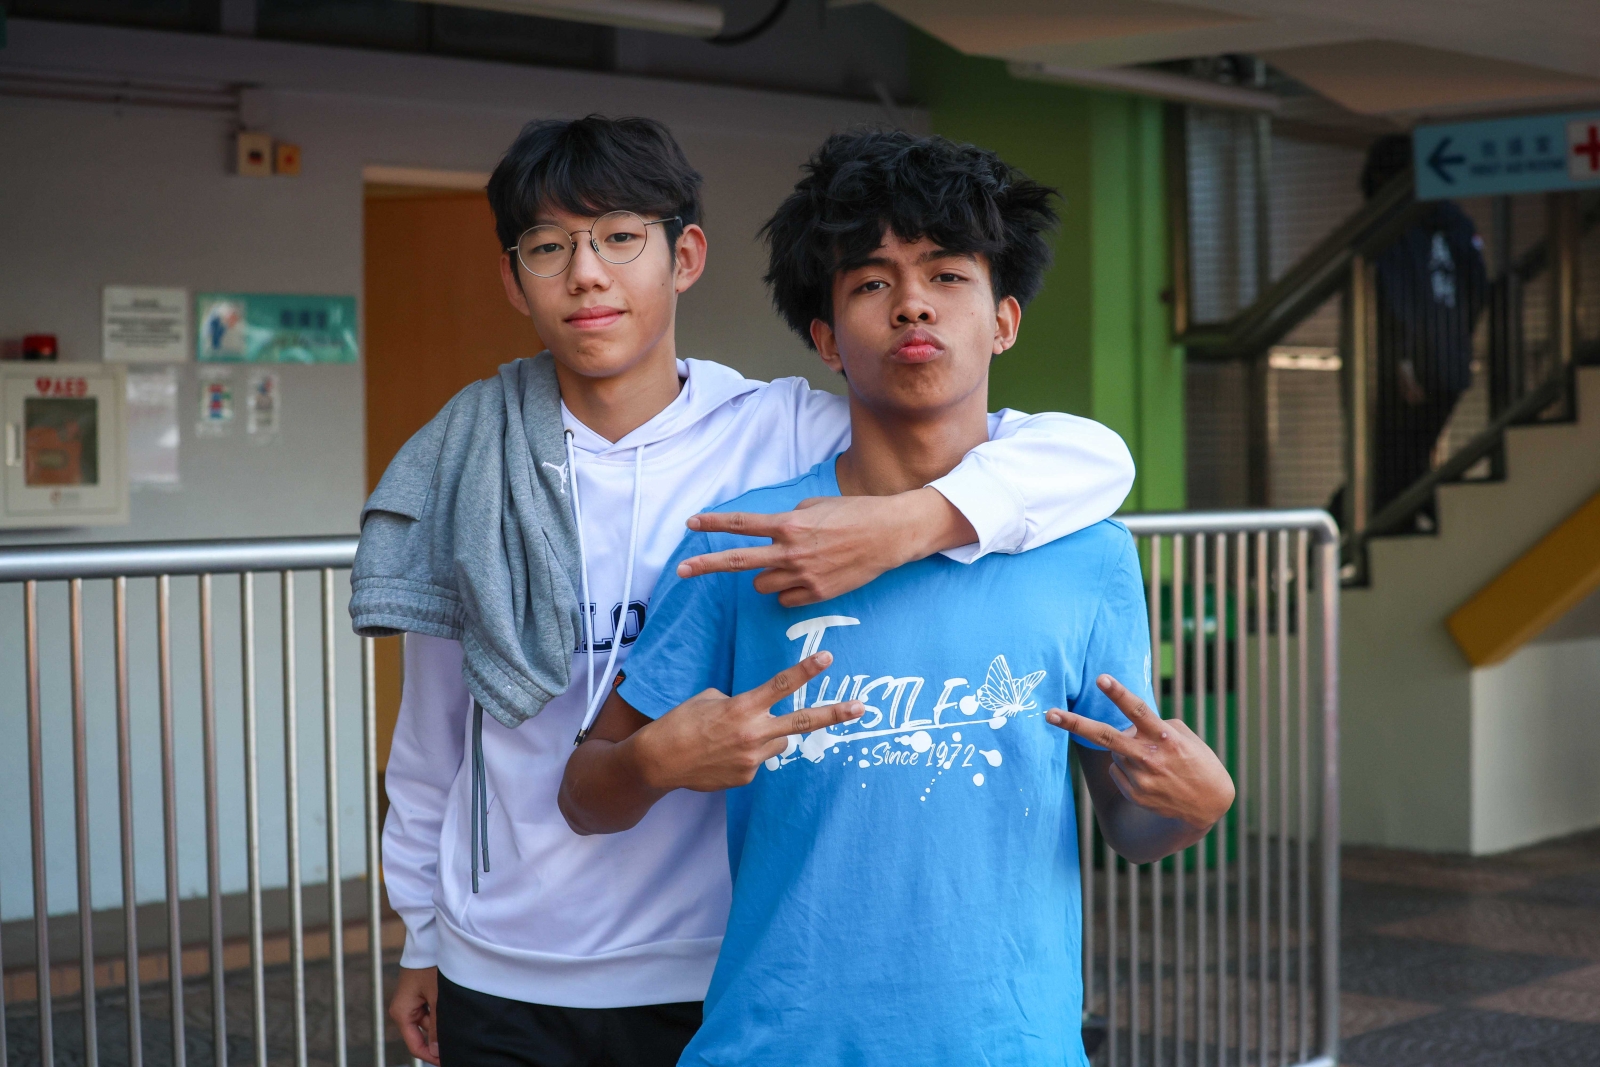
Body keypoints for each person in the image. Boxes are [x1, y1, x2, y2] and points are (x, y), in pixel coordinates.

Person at [353, 116, 1139, 1066]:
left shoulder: (779, 429)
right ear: (514, 279)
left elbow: (1087, 458)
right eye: (549, 247)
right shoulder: (473, 464)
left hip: (710, 956)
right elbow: (434, 731)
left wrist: (910, 521)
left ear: (684, 256)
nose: (587, 274)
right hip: (507, 955)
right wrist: (424, 933)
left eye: (619, 238)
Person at [559, 129, 1236, 1066]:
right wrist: (654, 761)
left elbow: (1130, 819)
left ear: (1004, 320)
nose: (913, 301)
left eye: (948, 275)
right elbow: (586, 794)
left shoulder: (1087, 553)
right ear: (826, 339)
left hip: (1011, 1047)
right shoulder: (746, 542)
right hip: (777, 1045)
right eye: (872, 282)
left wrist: (1192, 807)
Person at [1362, 133, 1489, 530]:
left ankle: (1436, 527)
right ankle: (1432, 527)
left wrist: (1403, 360)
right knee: (1409, 458)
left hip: (1411, 368)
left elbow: (1395, 296)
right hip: (1450, 364)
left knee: (1393, 463)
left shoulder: (1393, 224)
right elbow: (1478, 288)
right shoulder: (1455, 221)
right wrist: (1457, 338)